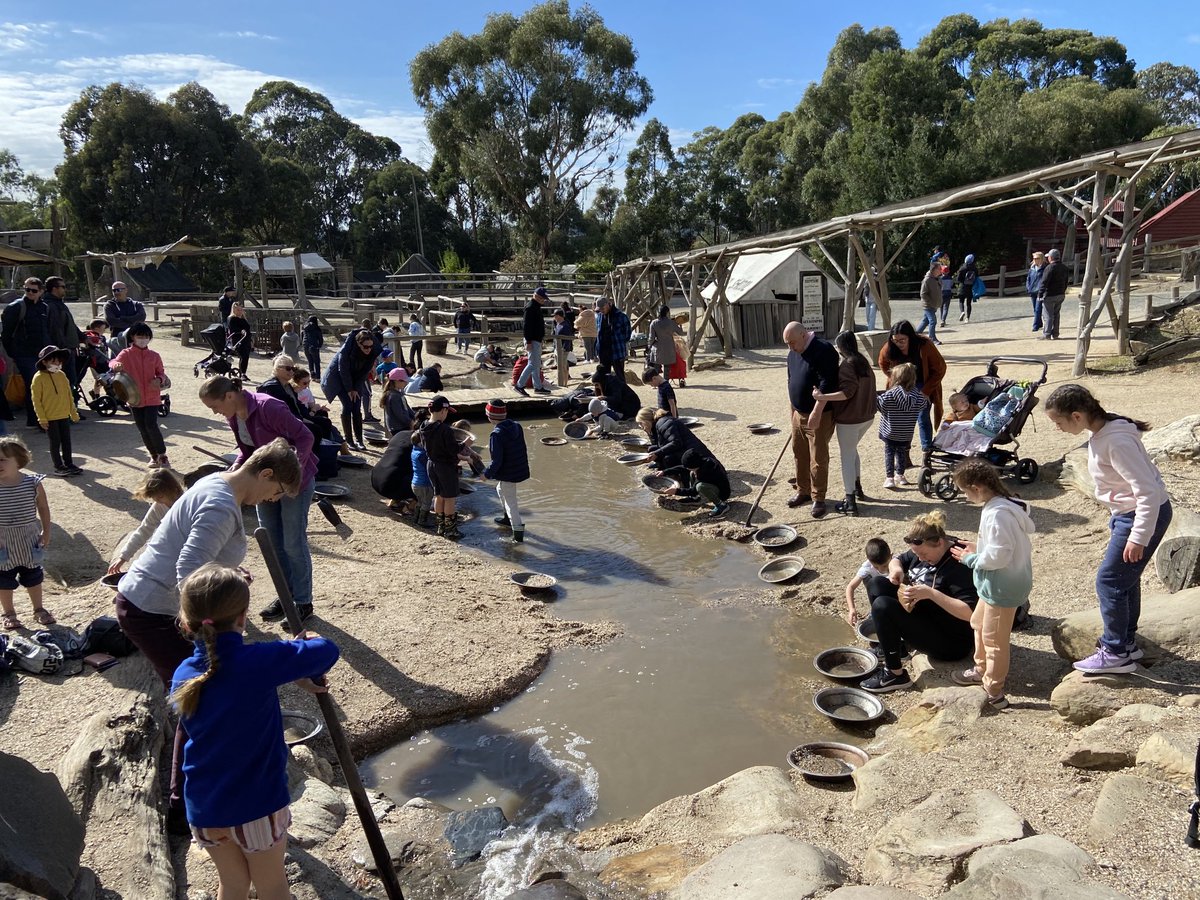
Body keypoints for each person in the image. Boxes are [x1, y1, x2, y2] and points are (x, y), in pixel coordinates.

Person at [171, 564, 338, 900]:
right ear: (243, 618)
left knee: (232, 886)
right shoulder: (257, 661)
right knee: (273, 887)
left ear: (186, 622)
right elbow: (328, 650)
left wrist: (294, 669)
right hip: (256, 805)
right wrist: (304, 652)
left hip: (205, 807)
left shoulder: (184, 674)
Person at [1044, 384, 1173, 673]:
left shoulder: (1115, 442)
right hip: (1128, 514)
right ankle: (1126, 644)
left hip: (1140, 515)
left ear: (1077, 416)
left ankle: (1115, 652)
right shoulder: (1103, 425)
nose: (1057, 428)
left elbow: (1148, 492)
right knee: (1125, 578)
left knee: (1109, 581)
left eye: (1058, 422)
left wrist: (1139, 536)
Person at [198, 378, 317, 622]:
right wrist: (231, 476)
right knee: (272, 543)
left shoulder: (268, 407)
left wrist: (291, 480)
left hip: (294, 484)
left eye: (215, 406)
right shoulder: (234, 416)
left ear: (229, 396)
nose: (215, 412)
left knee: (293, 543)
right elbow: (247, 452)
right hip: (262, 485)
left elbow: (305, 438)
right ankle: (286, 597)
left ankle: (303, 601)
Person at [949, 459, 1035, 709]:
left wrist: (971, 558)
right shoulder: (1002, 505)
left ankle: (994, 691)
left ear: (976, 488)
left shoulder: (998, 514)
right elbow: (1001, 546)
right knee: (978, 624)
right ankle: (981, 668)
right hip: (994, 584)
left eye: (965, 492)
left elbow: (999, 556)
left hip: (1002, 586)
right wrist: (979, 547)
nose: (965, 497)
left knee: (995, 641)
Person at [860, 510, 978, 693]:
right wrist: (896, 571)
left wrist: (931, 594)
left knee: (883, 606)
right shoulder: (924, 544)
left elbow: (971, 613)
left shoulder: (958, 563)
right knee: (877, 583)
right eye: (917, 555)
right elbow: (898, 559)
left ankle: (895, 674)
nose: (921, 559)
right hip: (929, 617)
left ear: (939, 542)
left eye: (923, 555)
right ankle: (894, 649)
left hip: (951, 641)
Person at [811, 331, 876, 516]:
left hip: (850, 419)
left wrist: (822, 396)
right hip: (866, 417)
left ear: (841, 347)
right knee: (852, 450)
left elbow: (847, 392)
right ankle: (857, 487)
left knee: (846, 457)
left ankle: (850, 501)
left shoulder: (848, 365)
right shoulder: (862, 361)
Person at [783, 321, 839, 519]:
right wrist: (793, 412)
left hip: (819, 414)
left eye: (792, 342)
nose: (790, 347)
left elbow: (828, 383)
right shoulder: (793, 352)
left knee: (818, 458)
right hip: (799, 413)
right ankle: (803, 490)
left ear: (803, 335)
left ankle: (818, 497)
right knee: (799, 453)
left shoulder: (823, 350)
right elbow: (791, 381)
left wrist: (816, 412)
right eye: (787, 344)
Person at [0, 435, 55, 630]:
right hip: (3, 543)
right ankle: (9, 613)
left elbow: (44, 508)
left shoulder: (32, 482)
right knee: (3, 580)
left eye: (2, 459)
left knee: (33, 576)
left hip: (29, 539)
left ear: (18, 460)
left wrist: (46, 532)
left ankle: (39, 609)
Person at [877, 319, 946, 453]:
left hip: (923, 382)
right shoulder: (889, 347)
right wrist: (894, 378)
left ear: (911, 337)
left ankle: (926, 449)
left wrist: (926, 391)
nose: (898, 344)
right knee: (901, 419)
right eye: (895, 340)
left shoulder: (924, 345)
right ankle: (903, 452)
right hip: (901, 386)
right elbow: (882, 363)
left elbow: (940, 368)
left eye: (902, 340)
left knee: (922, 416)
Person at [110, 322, 171, 469]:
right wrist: (115, 366)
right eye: (140, 336)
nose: (143, 339)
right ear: (133, 337)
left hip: (152, 397)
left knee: (151, 425)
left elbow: (161, 373)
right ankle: (153, 456)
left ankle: (162, 456)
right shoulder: (126, 354)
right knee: (142, 427)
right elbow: (113, 362)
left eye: (146, 337)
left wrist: (159, 379)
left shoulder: (154, 356)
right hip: (133, 397)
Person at [108, 469, 186, 575]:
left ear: (173, 489)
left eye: (160, 496)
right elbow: (144, 530)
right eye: (153, 497)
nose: (157, 500)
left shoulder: (187, 502)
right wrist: (123, 557)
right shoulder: (159, 506)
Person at [1, 277, 51, 427]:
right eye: (27, 289)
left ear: (41, 291)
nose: (29, 292)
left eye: (33, 290)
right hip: (23, 354)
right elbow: (6, 334)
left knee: (43, 384)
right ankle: (35, 420)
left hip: (41, 353)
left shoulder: (44, 307)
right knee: (33, 384)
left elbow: (46, 330)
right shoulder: (16, 307)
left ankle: (41, 418)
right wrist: (13, 354)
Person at [320, 328, 381, 451]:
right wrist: (349, 389)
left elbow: (365, 372)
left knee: (356, 406)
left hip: (357, 377)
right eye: (365, 347)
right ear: (358, 344)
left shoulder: (372, 350)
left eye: (370, 346)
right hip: (340, 378)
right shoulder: (346, 351)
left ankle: (359, 439)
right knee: (348, 405)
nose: (368, 349)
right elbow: (343, 371)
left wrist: (356, 388)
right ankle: (349, 440)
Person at [482, 399, 530, 544]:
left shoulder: (496, 434)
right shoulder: (516, 426)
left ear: (490, 416)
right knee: (500, 489)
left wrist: (486, 474)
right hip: (518, 468)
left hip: (508, 473)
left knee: (511, 504)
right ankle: (506, 518)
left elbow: (497, 461)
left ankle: (518, 537)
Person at [31, 345, 80, 477]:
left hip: (63, 415)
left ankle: (69, 463)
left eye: (59, 361)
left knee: (67, 441)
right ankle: (58, 466)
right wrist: (41, 418)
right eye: (53, 361)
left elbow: (69, 395)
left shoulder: (62, 375)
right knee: (55, 442)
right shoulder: (38, 378)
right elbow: (36, 400)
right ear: (44, 362)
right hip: (50, 417)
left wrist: (73, 412)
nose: (57, 364)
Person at [877, 362, 928, 489]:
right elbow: (924, 405)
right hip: (906, 432)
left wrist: (874, 397)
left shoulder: (890, 394)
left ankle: (889, 477)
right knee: (901, 452)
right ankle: (900, 475)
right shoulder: (918, 395)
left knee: (889, 453)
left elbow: (880, 405)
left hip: (890, 431)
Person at [422, 396, 466, 539]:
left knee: (439, 496)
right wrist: (466, 444)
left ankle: (440, 527)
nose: (447, 415)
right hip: (445, 467)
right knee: (450, 498)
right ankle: (451, 530)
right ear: (443, 410)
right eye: (447, 411)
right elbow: (453, 450)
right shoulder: (444, 429)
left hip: (431, 464)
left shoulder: (423, 426)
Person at [636, 407, 711, 480]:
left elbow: (676, 442)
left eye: (640, 423)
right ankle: (664, 470)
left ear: (646, 420)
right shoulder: (657, 425)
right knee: (653, 449)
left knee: (668, 458)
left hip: (692, 452)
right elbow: (660, 444)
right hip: (683, 448)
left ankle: (676, 478)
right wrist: (649, 433)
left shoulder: (663, 423)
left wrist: (656, 453)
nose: (640, 426)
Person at [371, 415, 419, 514]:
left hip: (376, 478)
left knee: (399, 467)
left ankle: (395, 501)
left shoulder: (400, 434)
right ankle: (410, 507)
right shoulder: (420, 443)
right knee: (428, 477)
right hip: (390, 485)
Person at [665, 447, 731, 518]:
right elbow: (683, 468)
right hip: (715, 484)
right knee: (692, 473)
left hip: (723, 493)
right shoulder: (703, 462)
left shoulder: (705, 472)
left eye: (688, 467)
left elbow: (693, 491)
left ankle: (721, 505)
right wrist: (665, 472)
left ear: (694, 465)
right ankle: (695, 499)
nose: (686, 468)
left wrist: (676, 491)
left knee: (700, 486)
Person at [43, 277, 83, 393]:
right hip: (61, 352)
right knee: (63, 380)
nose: (65, 289)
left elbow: (71, 325)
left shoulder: (60, 304)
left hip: (68, 349)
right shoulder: (51, 306)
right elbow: (56, 330)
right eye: (63, 287)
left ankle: (70, 406)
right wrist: (61, 351)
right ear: (54, 289)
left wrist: (83, 338)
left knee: (70, 379)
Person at [843, 537, 893, 627]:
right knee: (867, 579)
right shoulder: (867, 568)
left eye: (885, 565)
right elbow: (850, 587)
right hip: (877, 595)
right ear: (869, 561)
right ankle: (875, 610)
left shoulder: (896, 562)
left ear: (891, 556)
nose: (881, 570)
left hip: (893, 594)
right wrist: (852, 609)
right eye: (876, 567)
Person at [515, 286, 549, 397]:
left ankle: (538, 386)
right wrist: (528, 341)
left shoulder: (536, 307)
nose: (543, 300)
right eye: (542, 298)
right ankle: (519, 385)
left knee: (535, 364)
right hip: (532, 340)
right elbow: (527, 326)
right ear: (536, 296)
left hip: (536, 339)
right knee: (532, 364)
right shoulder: (530, 308)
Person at [596, 296, 632, 380]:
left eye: (603, 308)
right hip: (603, 352)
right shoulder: (599, 317)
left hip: (616, 351)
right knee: (604, 377)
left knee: (620, 377)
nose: (601, 310)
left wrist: (620, 341)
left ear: (608, 304)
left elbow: (627, 334)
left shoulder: (621, 316)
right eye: (599, 309)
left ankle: (622, 393)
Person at [103, 281, 146, 349]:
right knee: (118, 359)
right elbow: (112, 321)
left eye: (119, 290)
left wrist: (122, 318)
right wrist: (133, 323)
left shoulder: (137, 304)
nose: (116, 292)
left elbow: (141, 318)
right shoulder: (109, 305)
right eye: (114, 290)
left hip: (136, 339)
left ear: (126, 290)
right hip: (117, 340)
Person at [1038, 248, 1069, 341]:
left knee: (1048, 315)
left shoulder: (1049, 268)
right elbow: (1066, 281)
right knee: (1056, 314)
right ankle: (1055, 333)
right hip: (1060, 293)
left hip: (1050, 294)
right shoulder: (1064, 267)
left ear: (1051, 258)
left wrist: (1040, 293)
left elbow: (1044, 282)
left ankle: (1046, 333)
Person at [648, 305, 683, 377]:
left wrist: (649, 346)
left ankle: (657, 383)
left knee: (656, 367)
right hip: (669, 347)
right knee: (667, 367)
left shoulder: (654, 323)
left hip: (658, 347)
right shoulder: (671, 323)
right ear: (667, 313)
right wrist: (679, 324)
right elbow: (680, 332)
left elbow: (651, 337)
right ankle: (666, 382)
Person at [409, 427, 435, 526]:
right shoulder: (422, 454)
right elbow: (429, 465)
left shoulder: (414, 451)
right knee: (426, 503)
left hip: (415, 483)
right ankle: (422, 521)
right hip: (424, 484)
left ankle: (416, 518)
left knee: (420, 502)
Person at [380, 368, 414, 436]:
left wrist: (415, 417)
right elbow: (399, 414)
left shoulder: (399, 393)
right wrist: (410, 422)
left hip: (403, 425)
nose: (406, 383)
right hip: (398, 428)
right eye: (404, 381)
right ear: (397, 381)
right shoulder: (393, 396)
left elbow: (407, 408)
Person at [915, 261, 942, 345]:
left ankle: (915, 336)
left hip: (933, 305)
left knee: (925, 321)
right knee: (932, 321)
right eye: (939, 268)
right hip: (928, 305)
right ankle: (932, 338)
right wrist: (930, 303)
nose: (940, 270)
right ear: (933, 269)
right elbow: (923, 294)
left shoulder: (935, 279)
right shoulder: (927, 280)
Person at [225, 304, 253, 376]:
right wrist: (241, 331)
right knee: (243, 356)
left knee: (246, 357)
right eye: (238, 310)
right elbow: (233, 329)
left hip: (246, 340)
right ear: (234, 310)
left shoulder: (243, 319)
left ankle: (243, 373)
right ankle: (242, 373)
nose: (240, 311)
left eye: (241, 310)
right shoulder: (232, 318)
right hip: (238, 340)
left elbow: (248, 329)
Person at [1026, 251, 1047, 332]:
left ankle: (1035, 326)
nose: (1035, 260)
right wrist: (1028, 288)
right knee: (1035, 309)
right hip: (1032, 291)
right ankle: (1039, 323)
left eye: (1037, 258)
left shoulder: (1044, 268)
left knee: (1038, 309)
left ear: (1041, 259)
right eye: (1034, 258)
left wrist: (1042, 289)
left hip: (1040, 292)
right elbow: (1028, 279)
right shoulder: (1032, 269)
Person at [954, 254, 979, 323]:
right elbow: (977, 277)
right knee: (969, 303)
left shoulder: (962, 268)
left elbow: (958, 279)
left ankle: (962, 311)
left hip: (962, 286)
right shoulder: (975, 268)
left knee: (961, 301)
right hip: (970, 287)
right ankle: (967, 318)